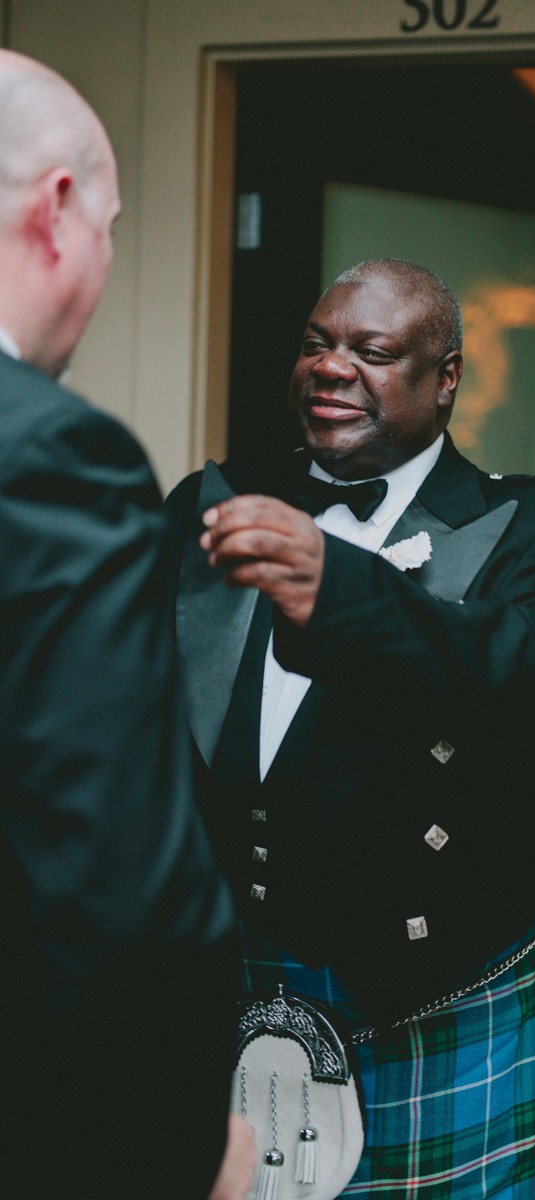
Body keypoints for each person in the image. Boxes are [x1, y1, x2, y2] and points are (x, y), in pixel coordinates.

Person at [167, 258, 535, 1197]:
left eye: (372, 351)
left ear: (445, 377)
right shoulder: (211, 502)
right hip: (225, 992)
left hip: (437, 1009)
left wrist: (342, 593)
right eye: (316, 344)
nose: (332, 367)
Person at [0, 50, 254, 1199]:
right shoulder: (53, 453)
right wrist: (181, 1147)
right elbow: (116, 883)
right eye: (109, 227)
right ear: (56, 212)